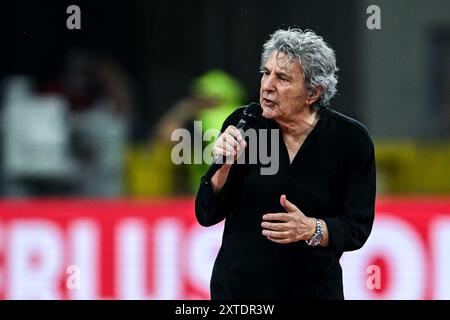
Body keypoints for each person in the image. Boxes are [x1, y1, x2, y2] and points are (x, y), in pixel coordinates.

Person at [195, 28, 376, 299]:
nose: (267, 85)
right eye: (266, 73)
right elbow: (206, 213)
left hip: (313, 292)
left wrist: (313, 229)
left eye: (282, 78)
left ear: (313, 93)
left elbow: (357, 226)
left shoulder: (351, 140)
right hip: (238, 293)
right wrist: (224, 166)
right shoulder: (244, 124)